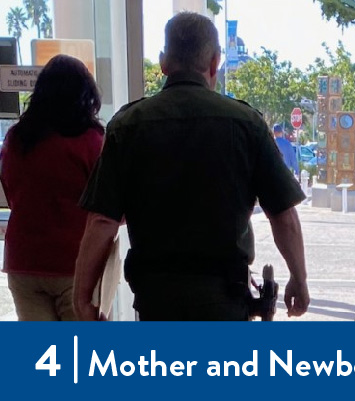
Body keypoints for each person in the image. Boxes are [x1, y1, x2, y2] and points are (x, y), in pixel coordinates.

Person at [73, 12, 310, 321]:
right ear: (214, 63)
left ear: (163, 63)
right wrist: (299, 279)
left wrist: (81, 296)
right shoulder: (246, 123)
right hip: (225, 304)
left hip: (156, 303)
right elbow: (283, 215)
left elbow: (102, 222)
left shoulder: (127, 126)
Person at [0, 55, 104, 321]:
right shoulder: (92, 142)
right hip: (75, 264)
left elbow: (12, 193)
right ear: (86, 94)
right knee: (80, 357)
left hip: (24, 262)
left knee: (44, 356)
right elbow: (107, 205)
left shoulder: (16, 138)